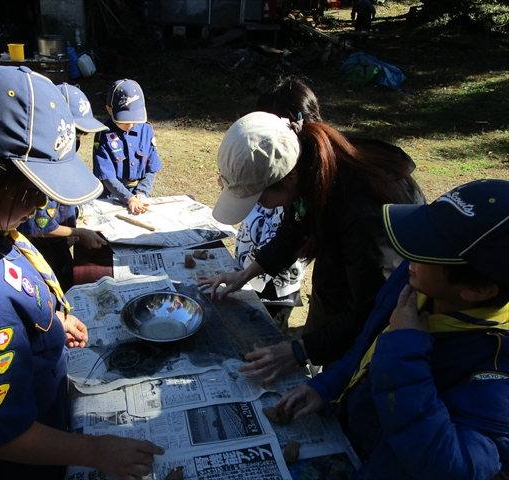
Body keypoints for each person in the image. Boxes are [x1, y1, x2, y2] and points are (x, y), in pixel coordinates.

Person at [0, 66, 164, 480]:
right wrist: (96, 451)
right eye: (34, 188)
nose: (42, 205)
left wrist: (49, 321)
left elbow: (14, 274)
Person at [277, 179, 509, 479]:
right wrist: (328, 386)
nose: (408, 252)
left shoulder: (497, 371)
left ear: (477, 290)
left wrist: (404, 349)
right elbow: (366, 346)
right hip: (353, 445)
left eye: (428, 248)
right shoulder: (415, 280)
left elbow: (452, 466)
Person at [198, 111, 425, 379]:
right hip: (340, 289)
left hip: (383, 324)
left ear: (289, 178)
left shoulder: (364, 213)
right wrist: (246, 274)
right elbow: (295, 227)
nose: (256, 207)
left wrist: (299, 351)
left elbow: (371, 309)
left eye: (258, 198)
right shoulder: (310, 165)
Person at [234, 76, 325, 330]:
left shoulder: (331, 195)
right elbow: (292, 234)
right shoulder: (299, 184)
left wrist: (303, 351)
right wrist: (243, 276)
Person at [17, 83, 109, 292]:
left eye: (79, 136)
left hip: (60, 243)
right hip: (43, 254)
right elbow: (39, 225)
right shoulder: (42, 164)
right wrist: (77, 232)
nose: (77, 141)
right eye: (75, 133)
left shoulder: (63, 148)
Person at [92, 78, 163, 214]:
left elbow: (152, 167)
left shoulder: (146, 129)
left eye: (134, 120)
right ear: (109, 109)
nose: (130, 125)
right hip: (112, 197)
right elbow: (107, 176)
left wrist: (142, 192)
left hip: (140, 197)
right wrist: (128, 198)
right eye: (124, 121)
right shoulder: (103, 135)